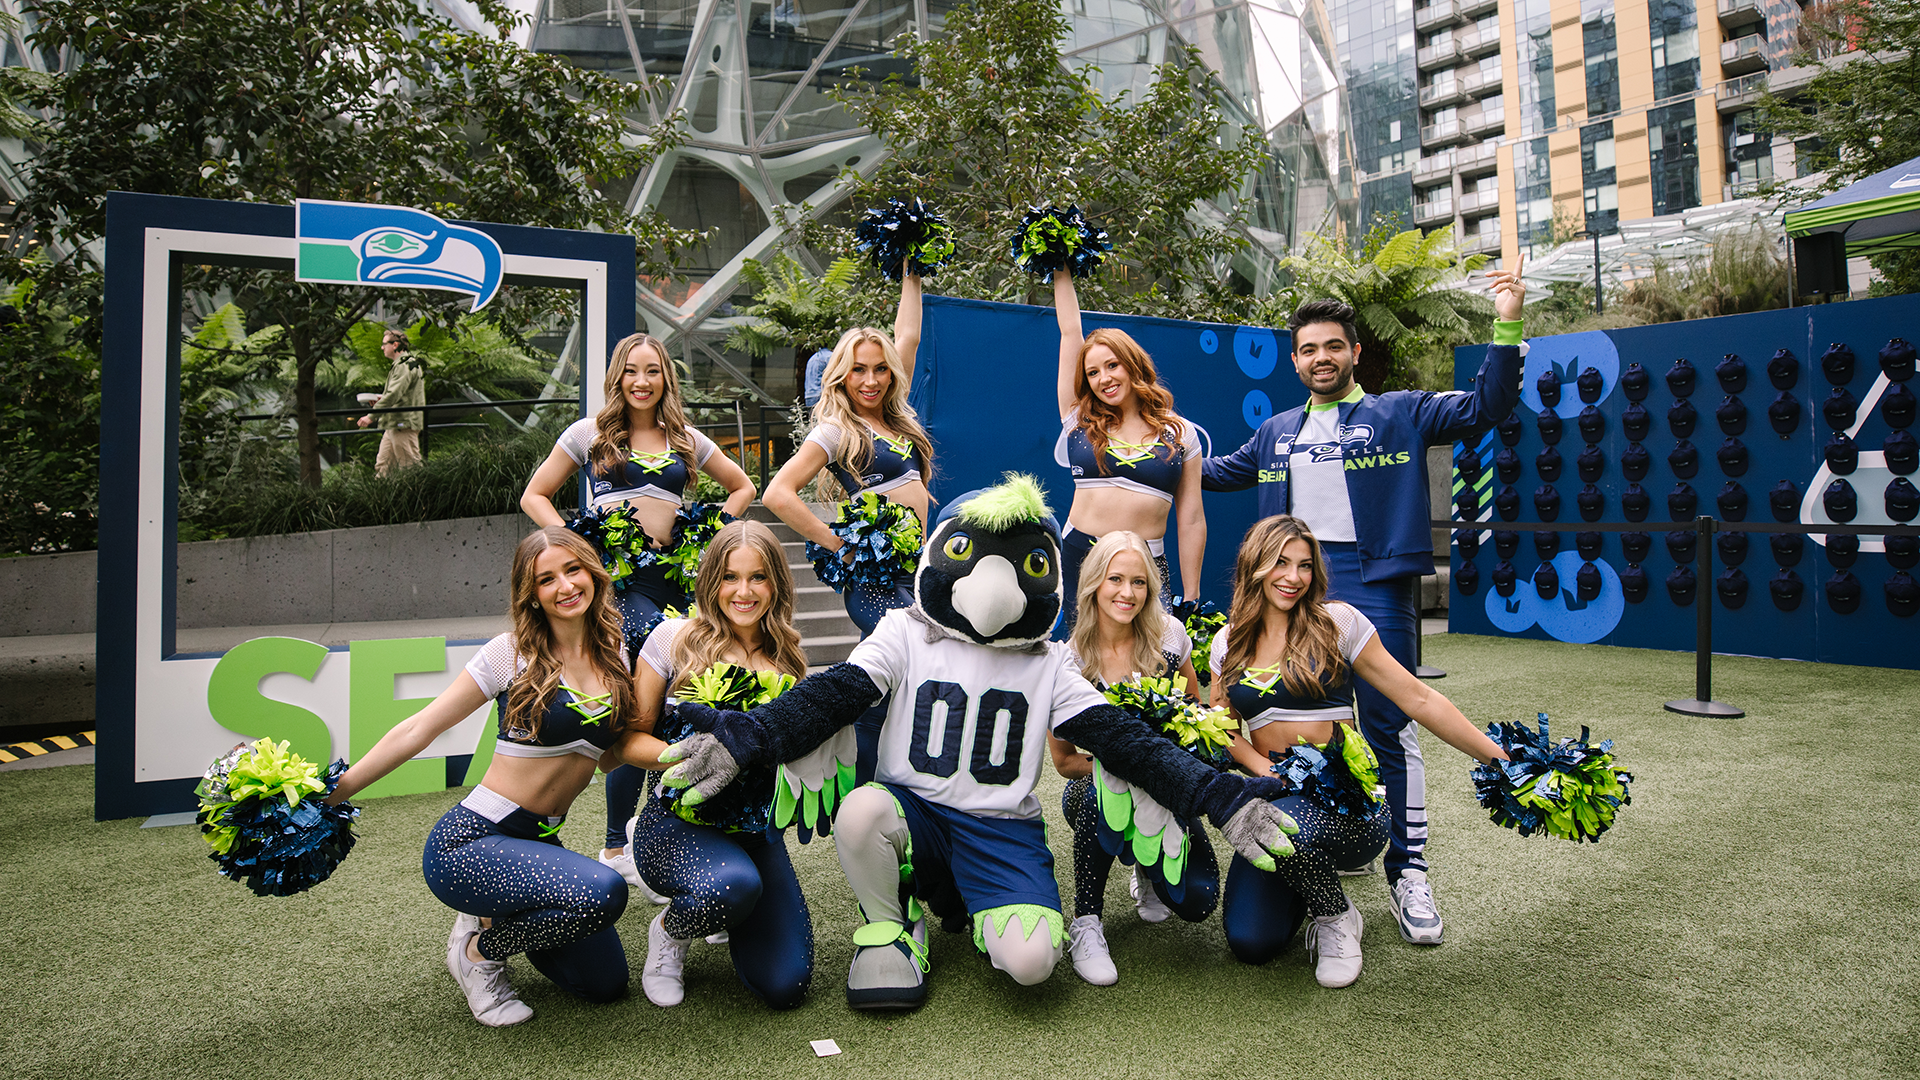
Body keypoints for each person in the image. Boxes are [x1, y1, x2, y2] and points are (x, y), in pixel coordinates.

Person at [1201, 267, 1526, 944]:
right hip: (1289, 583)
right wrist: (1142, 436)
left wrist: (1508, 318)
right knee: (1285, 719)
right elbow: (1205, 472)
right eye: (1309, 349)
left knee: (1389, 726)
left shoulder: (1402, 410)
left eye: (1333, 346)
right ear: (1294, 361)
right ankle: (1323, 831)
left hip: (1373, 577)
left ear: (1354, 353)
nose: (1321, 358)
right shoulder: (1274, 433)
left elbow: (1488, 407)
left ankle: (1409, 872)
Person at [324, 527, 638, 1025]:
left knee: (605, 984)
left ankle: (493, 909)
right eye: (546, 579)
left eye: (573, 570)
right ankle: (477, 953)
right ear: (531, 595)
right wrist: (333, 794)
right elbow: (419, 728)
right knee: (603, 891)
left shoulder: (616, 656)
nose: (565, 586)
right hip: (473, 840)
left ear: (592, 574)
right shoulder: (509, 653)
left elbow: (605, 759)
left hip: (539, 844)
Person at [1210, 516, 1507, 988]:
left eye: (1304, 566)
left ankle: (1336, 917)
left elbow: (1419, 699)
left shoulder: (1339, 623)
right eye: (1280, 563)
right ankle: (1309, 888)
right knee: (1251, 940)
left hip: (1351, 804)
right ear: (1255, 566)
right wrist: (1262, 766)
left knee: (1289, 828)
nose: (1293, 577)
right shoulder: (1228, 642)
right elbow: (1220, 728)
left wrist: (1499, 760)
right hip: (1277, 802)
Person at [519, 332, 756, 901]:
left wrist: (704, 535)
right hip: (619, 586)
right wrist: (577, 549)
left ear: (666, 380)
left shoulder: (685, 439)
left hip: (675, 581)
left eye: (652, 371)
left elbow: (744, 487)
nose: (642, 381)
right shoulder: (590, 435)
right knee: (650, 672)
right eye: (631, 371)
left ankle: (655, 833)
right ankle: (617, 847)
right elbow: (535, 496)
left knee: (654, 703)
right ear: (617, 378)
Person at [606, 520, 816, 1009]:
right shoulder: (673, 638)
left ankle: (724, 904)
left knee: (786, 985)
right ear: (710, 581)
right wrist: (684, 755)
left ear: (777, 585)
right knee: (734, 885)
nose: (743, 592)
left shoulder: (790, 656)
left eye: (758, 577)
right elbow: (625, 743)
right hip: (678, 821)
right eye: (730, 576)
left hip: (752, 830)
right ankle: (670, 933)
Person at [1045, 530, 1247, 985]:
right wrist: (1123, 772)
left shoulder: (1170, 636)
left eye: (1139, 582)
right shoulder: (1066, 660)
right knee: (1089, 797)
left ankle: (1148, 868)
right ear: (1094, 583)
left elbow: (1195, 716)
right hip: (1097, 787)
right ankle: (1087, 922)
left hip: (1164, 789)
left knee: (1198, 902)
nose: (1127, 593)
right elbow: (1063, 762)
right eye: (1116, 579)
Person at [762, 269, 929, 636]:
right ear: (842, 375)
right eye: (858, 370)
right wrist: (839, 545)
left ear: (891, 374)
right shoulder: (837, 430)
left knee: (910, 676)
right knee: (915, 652)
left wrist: (911, 269)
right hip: (874, 580)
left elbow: (909, 337)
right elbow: (776, 494)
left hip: (917, 571)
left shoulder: (897, 419)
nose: (871, 381)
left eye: (880, 369)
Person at [1051, 269, 1205, 635]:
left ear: (1132, 364)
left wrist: (1192, 593)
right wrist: (1060, 265)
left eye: (1112, 365)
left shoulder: (1180, 433)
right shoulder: (1079, 418)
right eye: (1092, 373)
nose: (1103, 378)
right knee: (1079, 662)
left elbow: (1191, 517)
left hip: (1145, 563)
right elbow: (1070, 331)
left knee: (1150, 666)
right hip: (1079, 557)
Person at [357, 328, 427, 476]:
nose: (382, 347)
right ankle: (380, 498)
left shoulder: (405, 365)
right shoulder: (402, 364)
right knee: (383, 466)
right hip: (394, 423)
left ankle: (421, 497)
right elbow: (400, 394)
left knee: (410, 467)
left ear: (395, 345)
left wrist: (371, 416)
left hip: (403, 423)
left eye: (384, 344)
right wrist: (380, 400)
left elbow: (394, 394)